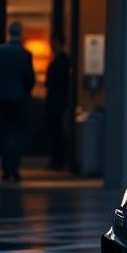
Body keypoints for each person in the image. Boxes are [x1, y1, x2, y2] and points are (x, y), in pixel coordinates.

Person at [0, 21, 35, 182]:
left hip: (0, 98)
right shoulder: (25, 54)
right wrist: (26, 93)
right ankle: (14, 167)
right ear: (20, 34)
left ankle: (6, 168)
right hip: (19, 98)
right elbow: (29, 79)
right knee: (18, 133)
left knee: (3, 132)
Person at [45, 34, 71, 169]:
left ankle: (58, 160)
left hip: (58, 100)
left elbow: (55, 81)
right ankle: (57, 159)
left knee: (57, 130)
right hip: (56, 99)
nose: (51, 45)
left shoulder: (61, 60)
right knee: (56, 130)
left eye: (53, 42)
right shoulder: (59, 60)